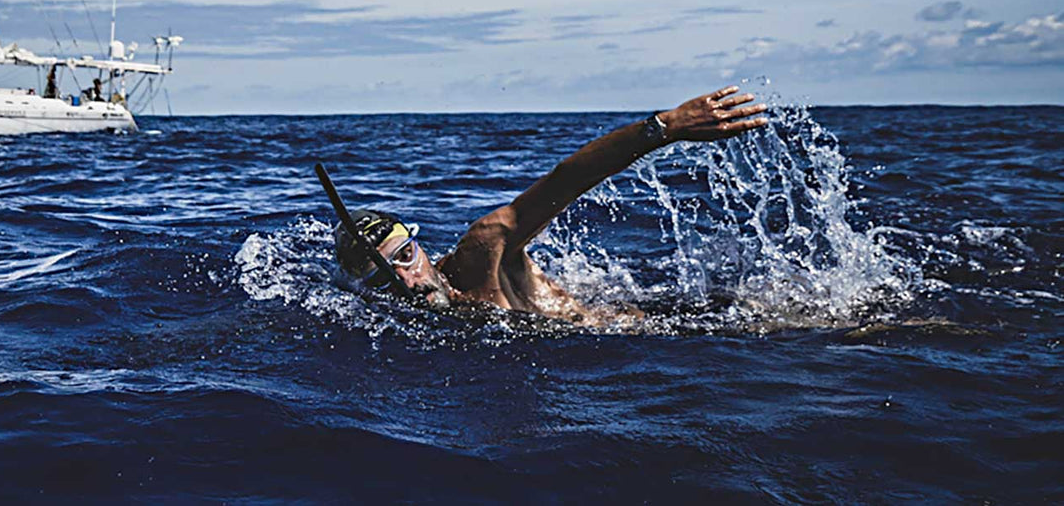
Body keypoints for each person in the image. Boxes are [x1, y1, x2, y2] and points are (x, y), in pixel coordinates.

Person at [324, 86, 769, 322]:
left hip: (668, 330)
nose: (408, 281)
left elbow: (567, 180)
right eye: (385, 281)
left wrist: (665, 127)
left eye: (406, 257)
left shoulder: (482, 253)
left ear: (418, 245)